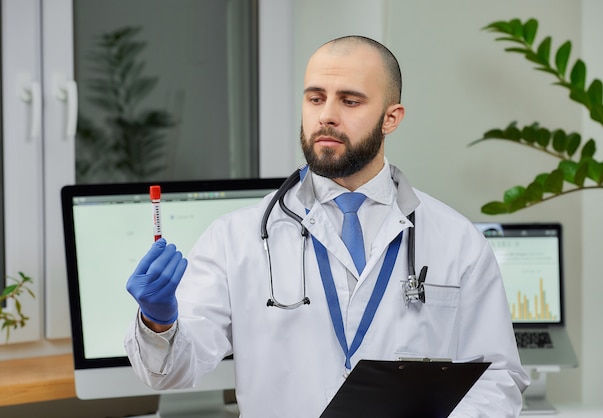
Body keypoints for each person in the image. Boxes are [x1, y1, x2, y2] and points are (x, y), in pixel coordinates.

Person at [125, 35, 529, 417]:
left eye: (350, 101)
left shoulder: (457, 241)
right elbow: (173, 371)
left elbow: (497, 376)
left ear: (391, 118)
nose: (327, 116)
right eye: (315, 98)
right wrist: (158, 321)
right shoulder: (236, 239)